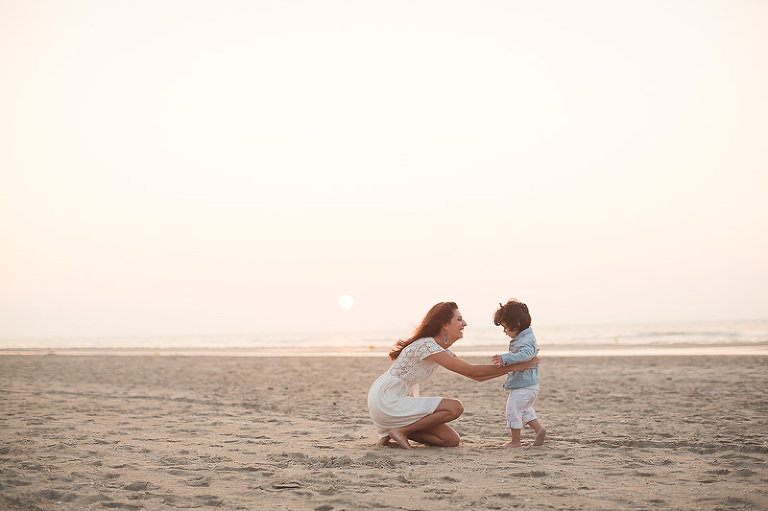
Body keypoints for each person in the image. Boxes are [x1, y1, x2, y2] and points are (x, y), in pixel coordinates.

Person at [367, 301, 539, 450]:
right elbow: (472, 371)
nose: (464, 323)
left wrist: (516, 366)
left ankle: (393, 430)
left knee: (450, 440)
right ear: (445, 324)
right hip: (387, 398)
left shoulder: (439, 349)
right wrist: (518, 366)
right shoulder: (427, 346)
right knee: (455, 407)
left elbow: (477, 376)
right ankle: (400, 430)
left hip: (393, 400)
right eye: (458, 319)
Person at [491, 299, 547, 448]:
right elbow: (528, 352)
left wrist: (505, 358)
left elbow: (526, 354)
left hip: (524, 386)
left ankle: (515, 441)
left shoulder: (525, 339)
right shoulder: (526, 338)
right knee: (524, 410)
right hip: (530, 386)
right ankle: (539, 429)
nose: (504, 331)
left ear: (516, 325)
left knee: (513, 410)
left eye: (505, 328)